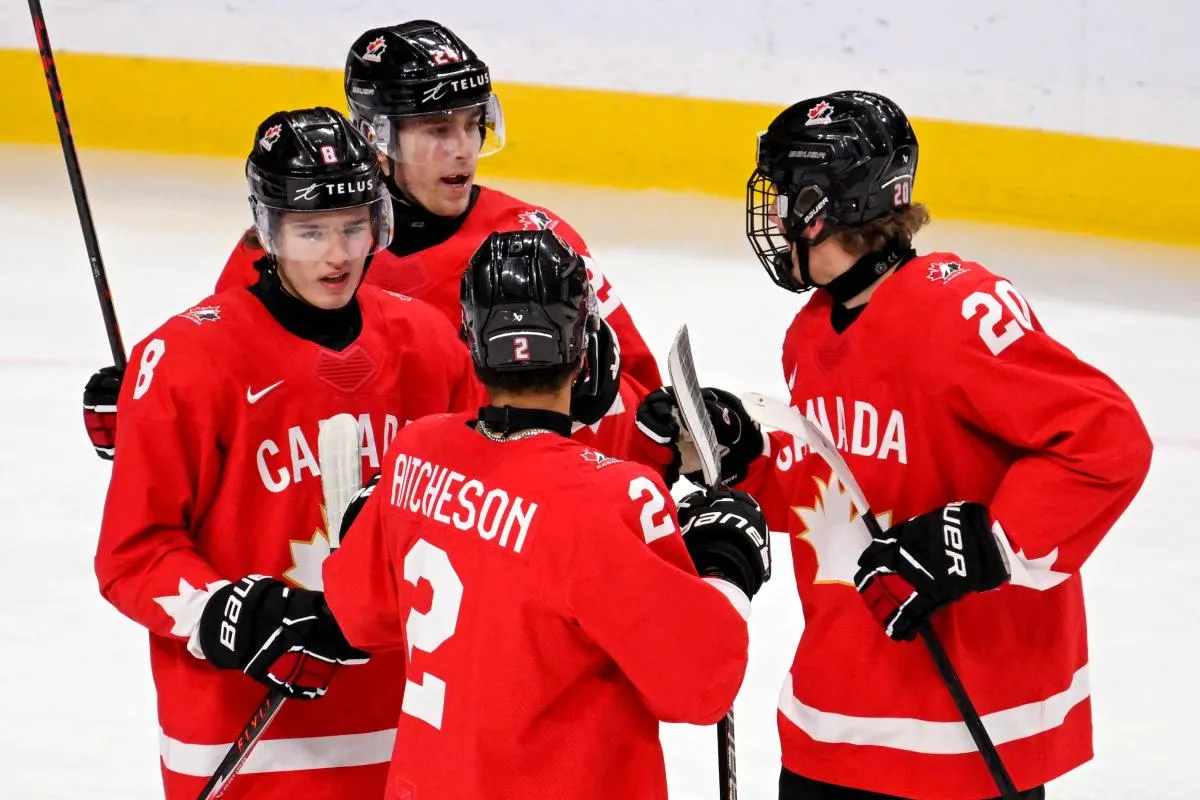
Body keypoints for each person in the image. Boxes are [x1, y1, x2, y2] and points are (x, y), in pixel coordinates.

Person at [637, 91, 1153, 799]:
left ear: (833, 206)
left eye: (789, 198)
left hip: (961, 732)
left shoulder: (956, 312)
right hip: (834, 719)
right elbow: (844, 498)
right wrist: (747, 454)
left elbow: (1106, 441)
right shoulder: (812, 333)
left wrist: (991, 541)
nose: (778, 219)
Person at [94, 107, 481, 800]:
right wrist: (223, 610)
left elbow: (473, 513)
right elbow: (133, 552)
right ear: (268, 232)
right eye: (310, 232)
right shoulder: (187, 361)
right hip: (242, 735)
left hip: (408, 722)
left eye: (353, 226)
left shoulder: (429, 344)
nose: (336, 255)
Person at [320, 228, 772, 799]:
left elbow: (361, 615)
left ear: (471, 339)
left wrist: (361, 521)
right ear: (584, 348)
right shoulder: (613, 497)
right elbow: (700, 686)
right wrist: (726, 565)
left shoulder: (415, 452)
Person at [85, 19, 657, 467]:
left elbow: (646, 406)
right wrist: (150, 419)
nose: (462, 148)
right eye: (437, 129)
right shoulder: (288, 249)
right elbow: (236, 390)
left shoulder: (535, 240)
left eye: (471, 124)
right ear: (374, 135)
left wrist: (596, 403)